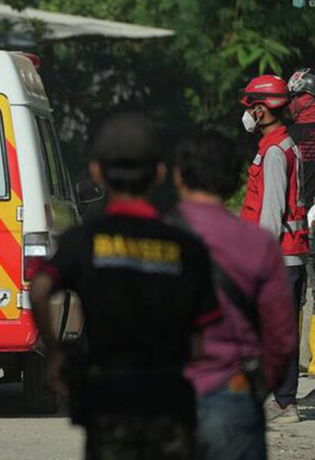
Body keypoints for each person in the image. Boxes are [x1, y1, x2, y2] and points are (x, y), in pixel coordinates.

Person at [29, 113, 221, 460]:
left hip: (109, 400)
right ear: (160, 173)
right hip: (169, 401)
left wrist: (55, 354)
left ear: (98, 172)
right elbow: (200, 337)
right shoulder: (185, 246)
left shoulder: (83, 240)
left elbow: (40, 287)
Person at [173, 133, 296, 459]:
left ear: (178, 176)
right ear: (233, 181)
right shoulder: (259, 245)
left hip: (167, 397)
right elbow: (281, 337)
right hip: (234, 394)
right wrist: (256, 386)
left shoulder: (158, 239)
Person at [239, 75, 310, 422]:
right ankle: (281, 398)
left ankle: (283, 402)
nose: (249, 114)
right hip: (290, 255)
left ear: (263, 109)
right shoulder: (283, 145)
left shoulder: (274, 153)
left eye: (252, 107)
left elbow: (271, 210)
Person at [287, 67, 315, 378]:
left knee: (294, 293)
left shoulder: (286, 139)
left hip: (294, 228)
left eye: (295, 98)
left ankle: (291, 360)